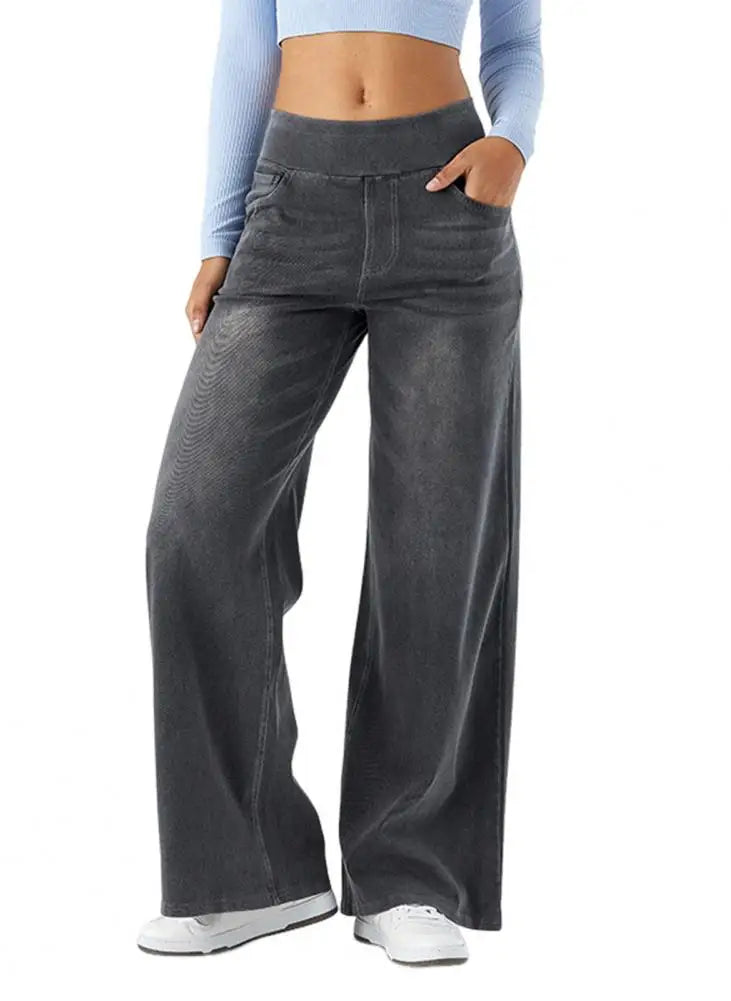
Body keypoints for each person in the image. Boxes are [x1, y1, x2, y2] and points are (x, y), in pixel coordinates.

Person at [138, 0, 542, 965]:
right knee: (194, 529)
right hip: (291, 201)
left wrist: (513, 145)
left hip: (447, 197)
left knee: (434, 547)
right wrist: (218, 235)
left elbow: (516, 43)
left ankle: (410, 874)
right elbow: (246, 51)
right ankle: (247, 873)